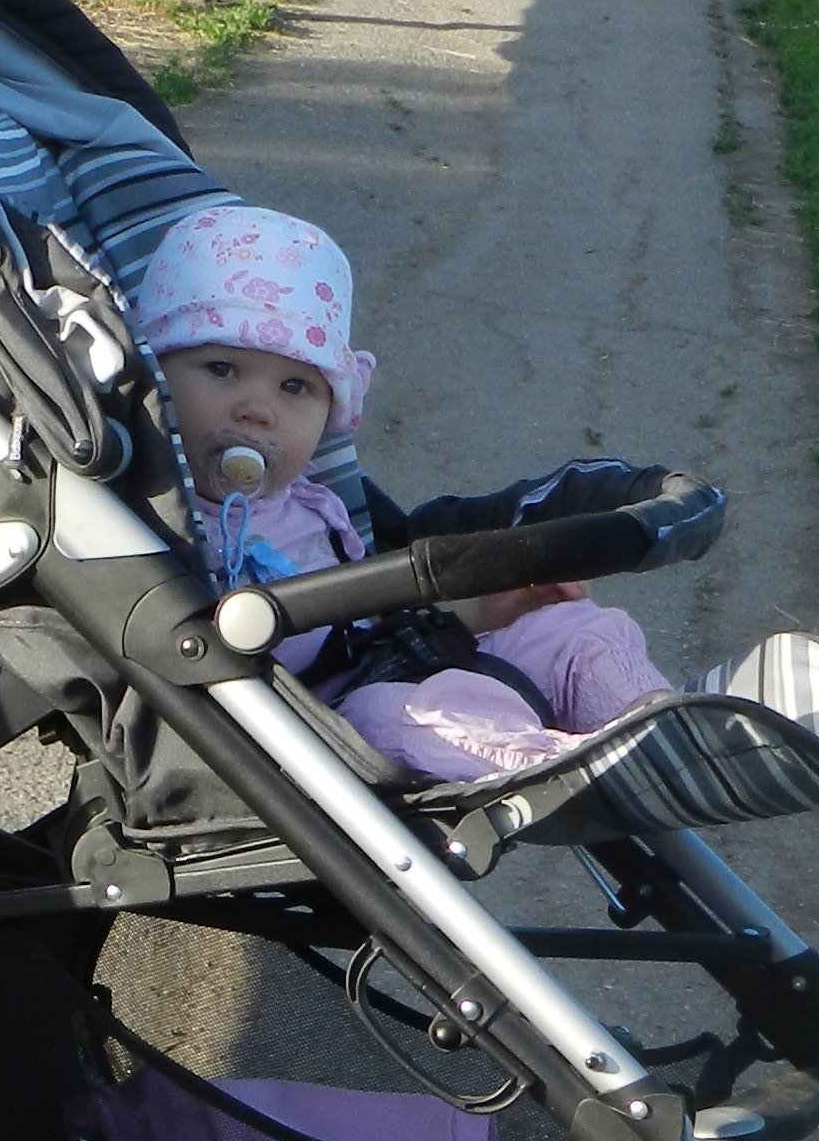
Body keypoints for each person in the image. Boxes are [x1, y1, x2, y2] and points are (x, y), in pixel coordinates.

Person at [133, 203, 672, 780]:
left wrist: (476, 612)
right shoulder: (154, 526)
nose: (257, 409)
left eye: (294, 386)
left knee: (569, 626)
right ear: (153, 375)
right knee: (402, 715)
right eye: (221, 369)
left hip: (393, 663)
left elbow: (374, 617)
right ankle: (565, 773)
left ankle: (668, 733)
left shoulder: (318, 507)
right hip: (322, 730)